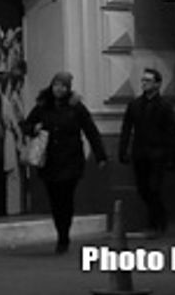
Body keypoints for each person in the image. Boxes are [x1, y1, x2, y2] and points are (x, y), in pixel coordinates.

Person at [21, 71, 107, 254]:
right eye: (56, 85)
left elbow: (90, 131)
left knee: (66, 198)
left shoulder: (76, 107)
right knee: (54, 199)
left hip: (71, 160)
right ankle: (61, 229)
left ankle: (63, 235)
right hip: (50, 160)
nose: (58, 89)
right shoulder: (43, 105)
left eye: (62, 86)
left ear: (68, 88)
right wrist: (34, 128)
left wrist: (100, 156)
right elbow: (26, 125)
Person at [118, 67, 175, 234]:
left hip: (158, 153)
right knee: (143, 188)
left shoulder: (165, 106)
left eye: (148, 80)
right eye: (143, 80)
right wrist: (123, 150)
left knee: (154, 188)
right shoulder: (135, 105)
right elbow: (126, 129)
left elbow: (170, 132)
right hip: (140, 153)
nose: (144, 83)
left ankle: (154, 222)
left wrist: (172, 156)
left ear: (157, 84)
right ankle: (159, 215)